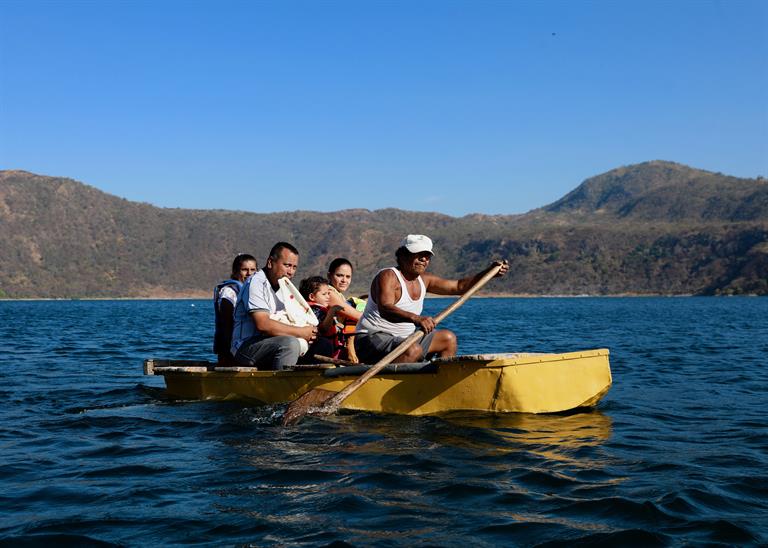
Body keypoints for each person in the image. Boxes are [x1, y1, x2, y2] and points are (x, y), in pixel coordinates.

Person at [354, 234, 508, 364]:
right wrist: (416, 319)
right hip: (370, 340)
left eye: (427, 256)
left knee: (448, 339)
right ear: (402, 255)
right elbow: (385, 309)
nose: (423, 259)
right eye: (418, 254)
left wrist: (489, 272)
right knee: (413, 349)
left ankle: (439, 383)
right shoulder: (388, 276)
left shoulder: (425, 280)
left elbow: (460, 287)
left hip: (405, 340)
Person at [231, 242, 317, 370]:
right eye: (287, 265)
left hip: (272, 342)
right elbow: (263, 324)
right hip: (246, 347)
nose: (290, 272)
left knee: (322, 344)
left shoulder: (285, 288)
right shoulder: (256, 283)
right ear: (270, 263)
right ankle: (281, 385)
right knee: (290, 344)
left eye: (294, 267)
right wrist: (301, 332)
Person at [213, 253, 258, 365]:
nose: (249, 274)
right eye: (244, 270)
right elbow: (227, 325)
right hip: (233, 348)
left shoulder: (256, 292)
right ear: (235, 272)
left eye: (253, 270)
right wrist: (228, 353)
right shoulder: (229, 293)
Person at [298, 276, 344, 359]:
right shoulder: (315, 310)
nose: (328, 297)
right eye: (324, 294)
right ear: (312, 297)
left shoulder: (315, 309)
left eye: (328, 293)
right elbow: (323, 329)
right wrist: (332, 311)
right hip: (320, 350)